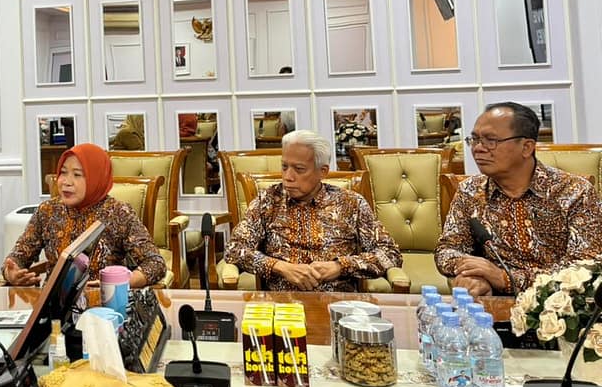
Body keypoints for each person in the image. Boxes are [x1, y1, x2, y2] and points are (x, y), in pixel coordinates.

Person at [435, 102, 602, 296]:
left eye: (491, 140)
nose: (478, 148)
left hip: (559, 305)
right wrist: (474, 273)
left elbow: (584, 269)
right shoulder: (470, 191)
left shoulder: (575, 192)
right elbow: (447, 249)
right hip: (493, 302)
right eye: (474, 139)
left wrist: (505, 278)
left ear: (526, 147)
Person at [223, 130, 401, 292]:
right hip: (282, 305)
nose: (288, 177)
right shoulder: (268, 200)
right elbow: (235, 249)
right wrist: (279, 267)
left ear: (322, 171)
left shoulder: (351, 203)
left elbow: (389, 253)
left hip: (338, 303)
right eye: (284, 167)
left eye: (299, 169)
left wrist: (341, 266)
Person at [2, 143, 165, 288]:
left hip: (103, 302)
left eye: (77, 175)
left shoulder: (119, 213)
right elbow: (18, 256)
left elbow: (155, 263)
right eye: (63, 173)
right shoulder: (47, 211)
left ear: (96, 178)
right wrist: (11, 273)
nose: (66, 182)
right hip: (54, 305)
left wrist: (123, 282)